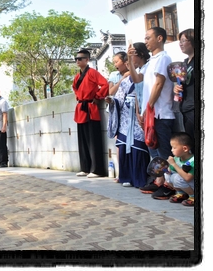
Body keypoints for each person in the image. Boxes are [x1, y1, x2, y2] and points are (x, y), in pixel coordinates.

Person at [128, 27, 175, 195]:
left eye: (148, 38)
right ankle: (159, 181)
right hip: (151, 113)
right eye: (145, 38)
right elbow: (136, 79)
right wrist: (129, 59)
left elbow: (159, 84)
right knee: (153, 149)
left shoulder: (164, 58)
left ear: (160, 38)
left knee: (163, 151)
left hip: (161, 113)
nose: (146, 41)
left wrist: (149, 107)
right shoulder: (149, 63)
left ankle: (168, 185)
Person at [109, 43, 149, 188]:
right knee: (124, 144)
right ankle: (126, 176)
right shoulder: (124, 80)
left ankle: (139, 177)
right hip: (126, 116)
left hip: (138, 112)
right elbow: (118, 97)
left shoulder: (145, 70)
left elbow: (142, 89)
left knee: (138, 145)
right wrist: (111, 101)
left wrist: (139, 110)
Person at [72, 51, 108, 177]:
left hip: (91, 108)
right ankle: (85, 167)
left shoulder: (92, 72)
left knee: (93, 139)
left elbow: (105, 84)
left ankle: (97, 169)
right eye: (76, 59)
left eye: (80, 58)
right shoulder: (77, 76)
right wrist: (79, 97)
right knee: (82, 140)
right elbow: (75, 88)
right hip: (81, 107)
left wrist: (97, 96)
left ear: (87, 60)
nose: (77, 61)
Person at [161, 133, 195, 206]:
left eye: (174, 148)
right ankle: (181, 193)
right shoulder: (177, 158)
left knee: (177, 178)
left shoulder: (193, 160)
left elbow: (187, 178)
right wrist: (166, 169)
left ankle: (193, 196)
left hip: (192, 183)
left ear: (185, 149)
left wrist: (173, 164)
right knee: (168, 175)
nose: (172, 150)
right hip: (186, 183)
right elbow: (172, 171)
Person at [174, 29, 195, 143]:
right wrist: (176, 88)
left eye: (183, 40)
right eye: (179, 41)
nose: (180, 44)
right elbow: (181, 83)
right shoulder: (184, 63)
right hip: (185, 109)